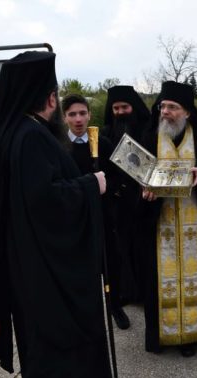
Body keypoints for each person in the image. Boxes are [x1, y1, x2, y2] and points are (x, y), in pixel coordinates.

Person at [0, 51, 116, 378]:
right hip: (48, 275)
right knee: (60, 359)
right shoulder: (32, 137)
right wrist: (92, 185)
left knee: (41, 353)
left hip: (28, 267)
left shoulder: (12, 133)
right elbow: (47, 203)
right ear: (50, 98)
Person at [138, 81, 197, 357]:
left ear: (187, 112)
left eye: (173, 107)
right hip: (160, 223)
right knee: (160, 278)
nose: (165, 112)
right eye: (163, 106)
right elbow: (134, 173)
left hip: (195, 224)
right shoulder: (149, 135)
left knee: (195, 277)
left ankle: (192, 335)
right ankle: (163, 335)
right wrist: (143, 191)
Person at [61, 93, 133, 331]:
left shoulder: (103, 143)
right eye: (72, 114)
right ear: (64, 117)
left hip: (103, 214)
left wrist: (107, 189)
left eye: (82, 113)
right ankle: (84, 313)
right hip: (74, 219)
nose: (78, 119)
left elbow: (118, 176)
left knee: (111, 261)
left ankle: (115, 306)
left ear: (90, 115)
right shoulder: (59, 146)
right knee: (81, 268)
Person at [100, 85, 152, 327]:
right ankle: (124, 292)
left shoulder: (148, 130)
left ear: (134, 107)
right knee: (120, 248)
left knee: (143, 247)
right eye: (116, 108)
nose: (120, 112)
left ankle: (145, 291)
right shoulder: (105, 134)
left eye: (125, 107)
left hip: (144, 201)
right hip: (117, 202)